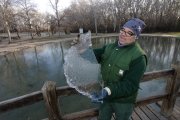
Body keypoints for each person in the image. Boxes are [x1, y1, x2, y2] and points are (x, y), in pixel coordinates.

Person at [91, 18, 148, 120]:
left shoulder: (139, 57)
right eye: (122, 30)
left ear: (136, 37)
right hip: (106, 97)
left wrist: (107, 91)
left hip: (124, 101)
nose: (123, 34)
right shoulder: (109, 47)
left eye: (129, 33)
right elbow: (93, 55)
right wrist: (80, 49)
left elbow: (130, 85)